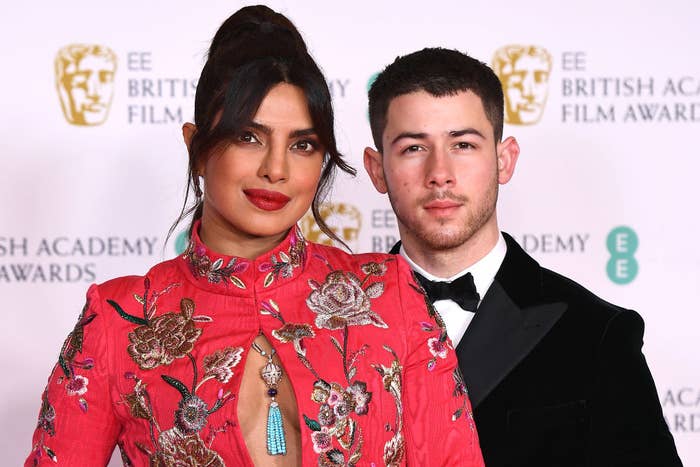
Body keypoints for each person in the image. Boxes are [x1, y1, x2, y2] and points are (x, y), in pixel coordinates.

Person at [26, 8, 484, 467]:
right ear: (197, 149)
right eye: (248, 137)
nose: (276, 169)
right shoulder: (118, 322)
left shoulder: (387, 293)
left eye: (303, 145)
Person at [363, 47, 681, 466]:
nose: (440, 173)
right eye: (413, 149)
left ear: (504, 159)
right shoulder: (329, 325)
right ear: (376, 169)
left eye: (463, 144)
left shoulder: (598, 336)